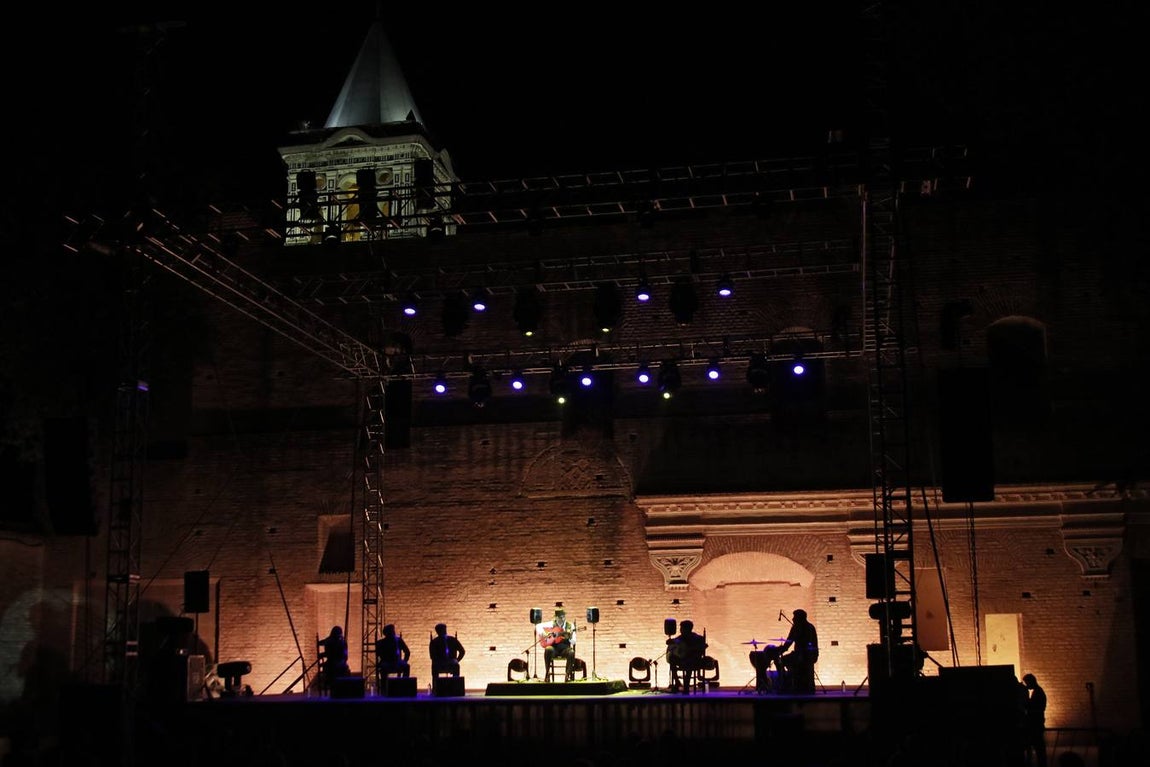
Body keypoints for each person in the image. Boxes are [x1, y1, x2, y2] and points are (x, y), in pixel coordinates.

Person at [778, 609, 819, 694]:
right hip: (798, 654)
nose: (792, 619)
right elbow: (788, 642)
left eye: (794, 617)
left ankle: (794, 684)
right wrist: (779, 650)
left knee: (792, 661)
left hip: (808, 655)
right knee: (781, 660)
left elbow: (811, 644)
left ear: (800, 618)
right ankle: (788, 683)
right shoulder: (795, 628)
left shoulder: (809, 628)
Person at [666, 619, 707, 692]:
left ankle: (686, 685)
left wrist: (691, 649)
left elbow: (704, 646)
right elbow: (675, 641)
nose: (680, 630)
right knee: (672, 658)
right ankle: (677, 681)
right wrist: (670, 642)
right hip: (682, 659)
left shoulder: (696, 638)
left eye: (682, 628)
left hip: (693, 660)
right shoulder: (680, 637)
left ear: (688, 629)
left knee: (689, 661)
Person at [538, 608, 577, 681]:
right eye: (560, 617)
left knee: (571, 652)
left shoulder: (570, 625)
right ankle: (547, 674)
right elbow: (538, 626)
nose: (562, 618)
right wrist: (545, 634)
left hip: (565, 649)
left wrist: (569, 637)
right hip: (554, 649)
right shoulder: (550, 624)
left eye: (563, 616)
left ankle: (567, 675)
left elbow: (574, 642)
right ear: (556, 617)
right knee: (548, 649)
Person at [1022, 673, 1048, 767]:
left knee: (1038, 746)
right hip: (1037, 722)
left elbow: (1034, 707)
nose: (1026, 685)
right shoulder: (1038, 691)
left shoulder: (1037, 692)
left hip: (1036, 723)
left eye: (1027, 683)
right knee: (1039, 746)